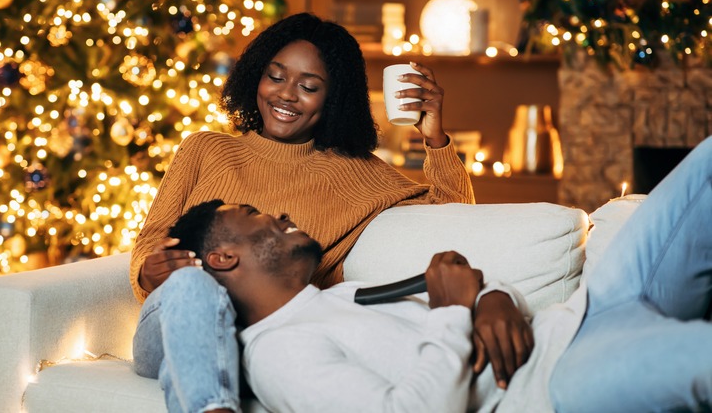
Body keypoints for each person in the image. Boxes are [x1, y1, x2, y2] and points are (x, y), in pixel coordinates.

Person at [164, 135, 712, 412]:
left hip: (593, 307)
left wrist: (494, 298)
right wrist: (454, 311)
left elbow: (472, 286)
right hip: (555, 381)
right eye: (259, 219)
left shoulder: (345, 292)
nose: (282, 217)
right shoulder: (277, 353)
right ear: (222, 258)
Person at [131, 12, 475, 410]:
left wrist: (434, 137)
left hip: (265, 338)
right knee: (195, 286)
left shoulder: (356, 173)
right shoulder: (205, 149)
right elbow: (152, 235)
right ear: (255, 76)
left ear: (334, 98)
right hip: (174, 323)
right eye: (275, 77)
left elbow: (453, 215)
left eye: (309, 86)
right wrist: (147, 269)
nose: (286, 95)